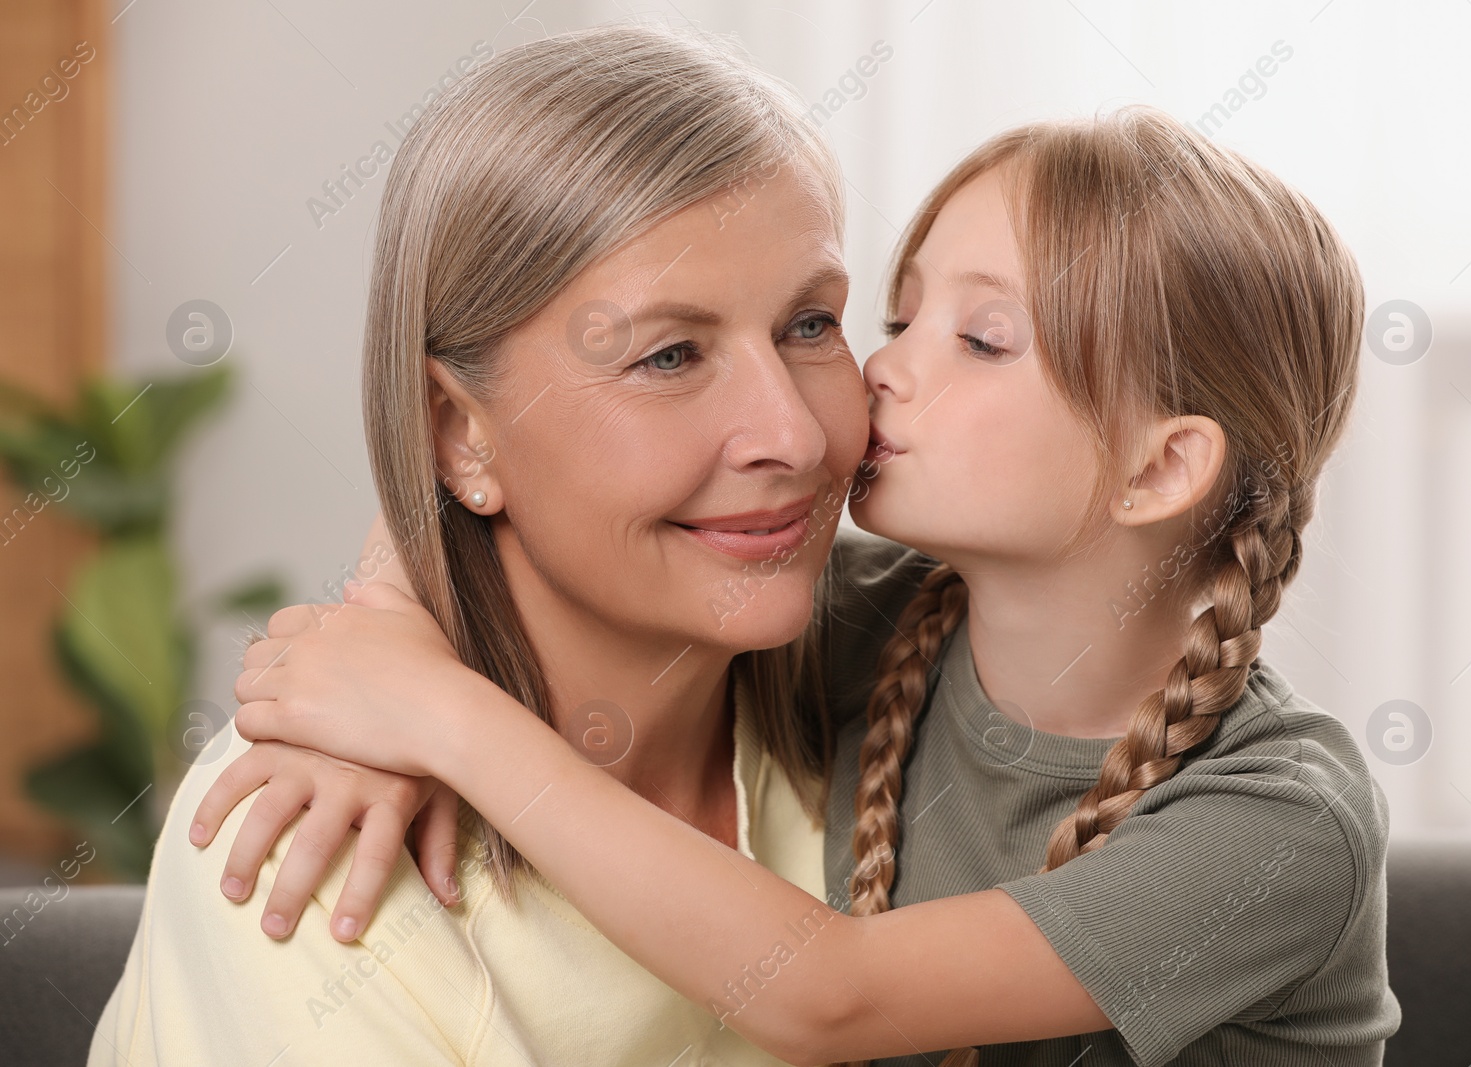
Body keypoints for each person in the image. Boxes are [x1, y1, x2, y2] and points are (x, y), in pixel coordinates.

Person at [212, 107, 1403, 1064]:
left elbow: (825, 997)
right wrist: (372, 681)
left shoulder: (1278, 824)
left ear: (1159, 466)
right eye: (887, 315)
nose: (878, 369)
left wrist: (436, 712)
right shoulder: (883, 621)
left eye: (979, 340)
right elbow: (525, 479)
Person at [88, 23, 879, 1066]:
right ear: (460, 428)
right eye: (670, 354)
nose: (793, 435)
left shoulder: (900, 697)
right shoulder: (312, 847)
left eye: (810, 324)